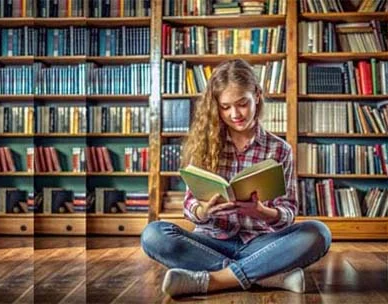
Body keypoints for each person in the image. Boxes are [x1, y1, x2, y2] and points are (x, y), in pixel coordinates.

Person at [140, 59, 332, 297]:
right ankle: (269, 275)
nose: (235, 114)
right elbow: (190, 206)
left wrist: (261, 212)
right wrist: (204, 211)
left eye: (242, 104)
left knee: (318, 233)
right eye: (225, 107)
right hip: (212, 240)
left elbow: (288, 212)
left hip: (262, 242)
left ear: (257, 96)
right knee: (153, 234)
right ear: (216, 107)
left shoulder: (280, 149)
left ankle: (212, 280)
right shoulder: (204, 145)